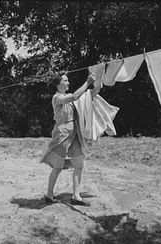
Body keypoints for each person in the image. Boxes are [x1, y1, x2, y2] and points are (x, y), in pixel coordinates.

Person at [40, 71, 96, 206]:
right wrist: (87, 82)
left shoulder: (67, 97)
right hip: (62, 135)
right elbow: (75, 96)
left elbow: (85, 96)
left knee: (79, 164)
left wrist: (96, 82)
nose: (68, 82)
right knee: (58, 167)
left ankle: (76, 196)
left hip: (74, 134)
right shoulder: (56, 98)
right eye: (65, 80)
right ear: (57, 84)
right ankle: (49, 195)